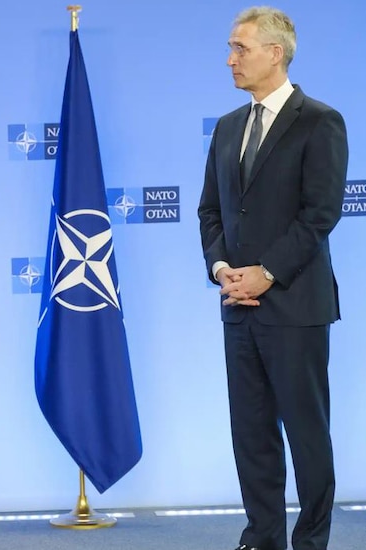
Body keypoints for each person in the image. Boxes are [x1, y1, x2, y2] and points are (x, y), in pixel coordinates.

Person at [198, 6, 347, 550]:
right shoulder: (229, 126)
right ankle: (263, 538)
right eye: (231, 48)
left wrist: (266, 273)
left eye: (240, 48)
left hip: (295, 306)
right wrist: (222, 271)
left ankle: (311, 542)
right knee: (252, 436)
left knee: (307, 437)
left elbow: (320, 214)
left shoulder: (320, 121)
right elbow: (210, 212)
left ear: (274, 53)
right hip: (237, 306)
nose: (230, 58)